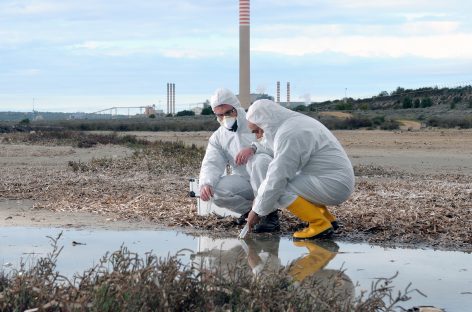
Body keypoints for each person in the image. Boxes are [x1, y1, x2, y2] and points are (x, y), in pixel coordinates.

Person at [245, 99, 355, 239]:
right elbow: (271, 146)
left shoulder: (289, 134)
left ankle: (319, 224)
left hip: (333, 185)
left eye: (257, 130)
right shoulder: (293, 124)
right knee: (291, 179)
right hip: (335, 180)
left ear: (266, 122)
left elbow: (277, 177)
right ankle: (326, 217)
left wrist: (257, 210)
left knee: (279, 188)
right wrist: (253, 148)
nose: (258, 136)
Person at [198, 88, 279, 232]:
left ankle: (269, 214)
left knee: (259, 161)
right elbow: (212, 162)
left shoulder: (257, 122)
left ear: (236, 107)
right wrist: (206, 183)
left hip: (268, 179)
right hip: (244, 180)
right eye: (220, 115)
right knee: (215, 191)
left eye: (228, 113)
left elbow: (276, 148)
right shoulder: (218, 137)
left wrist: (254, 148)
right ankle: (252, 212)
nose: (225, 118)